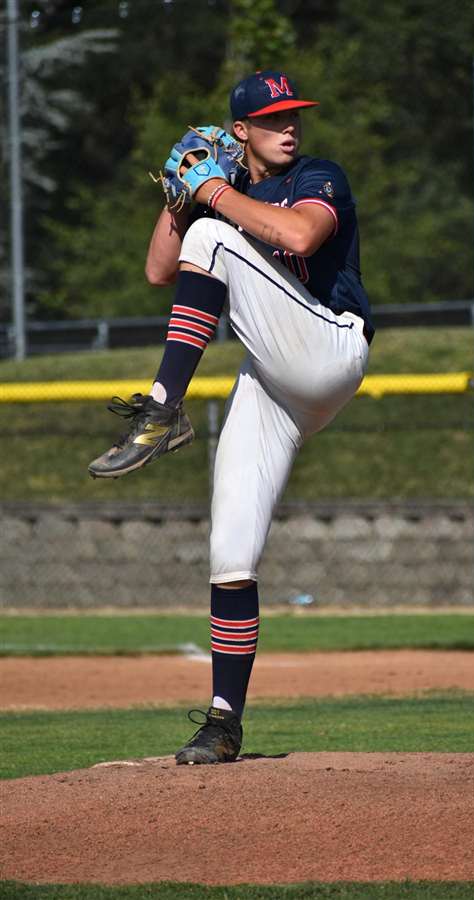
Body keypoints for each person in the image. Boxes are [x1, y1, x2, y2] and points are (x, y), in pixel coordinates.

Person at [88, 70, 374, 764]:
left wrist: (212, 194)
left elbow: (303, 238)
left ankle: (161, 410)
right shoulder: (225, 195)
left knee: (212, 237)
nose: (290, 126)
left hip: (329, 346)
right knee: (231, 557)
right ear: (241, 129)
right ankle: (223, 722)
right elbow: (162, 269)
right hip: (273, 379)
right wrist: (178, 194)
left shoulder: (318, 175)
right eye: (274, 117)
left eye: (294, 114)